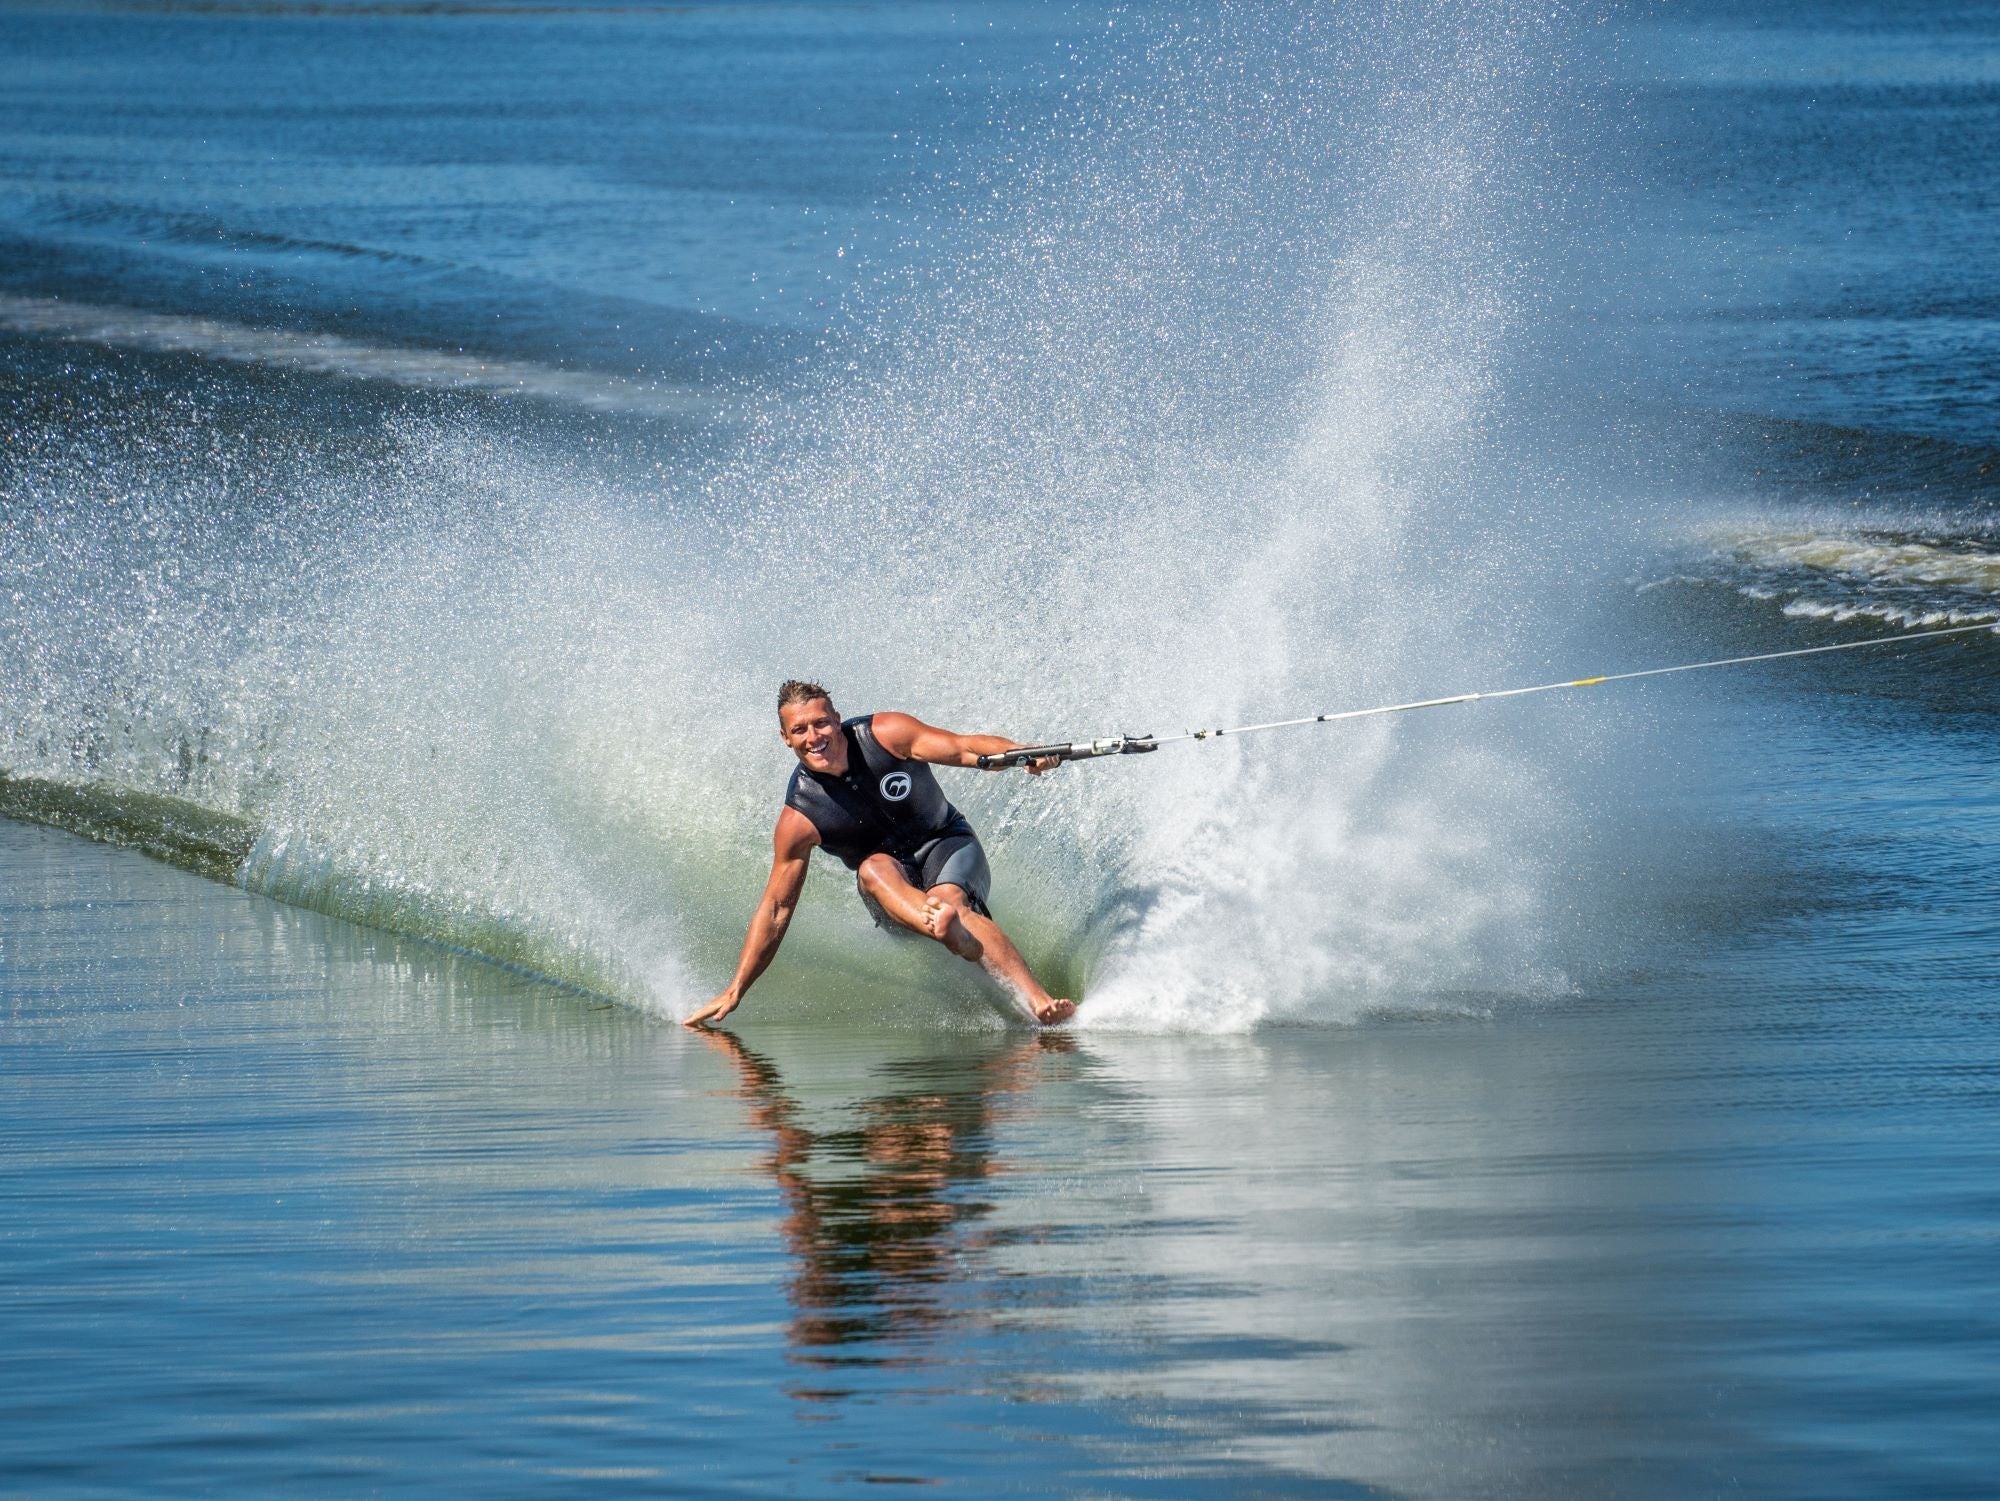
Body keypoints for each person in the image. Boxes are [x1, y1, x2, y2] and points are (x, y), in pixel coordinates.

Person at [683, 680, 1076, 1029]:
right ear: (786, 737)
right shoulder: (799, 818)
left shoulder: (886, 734)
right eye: (799, 730)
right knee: (873, 867)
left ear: (837, 719)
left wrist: (1022, 753)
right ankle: (945, 928)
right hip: (891, 892)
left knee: (949, 902)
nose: (814, 736)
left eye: (821, 723)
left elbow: (963, 748)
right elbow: (776, 909)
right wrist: (736, 989)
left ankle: (1038, 1002)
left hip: (948, 845)